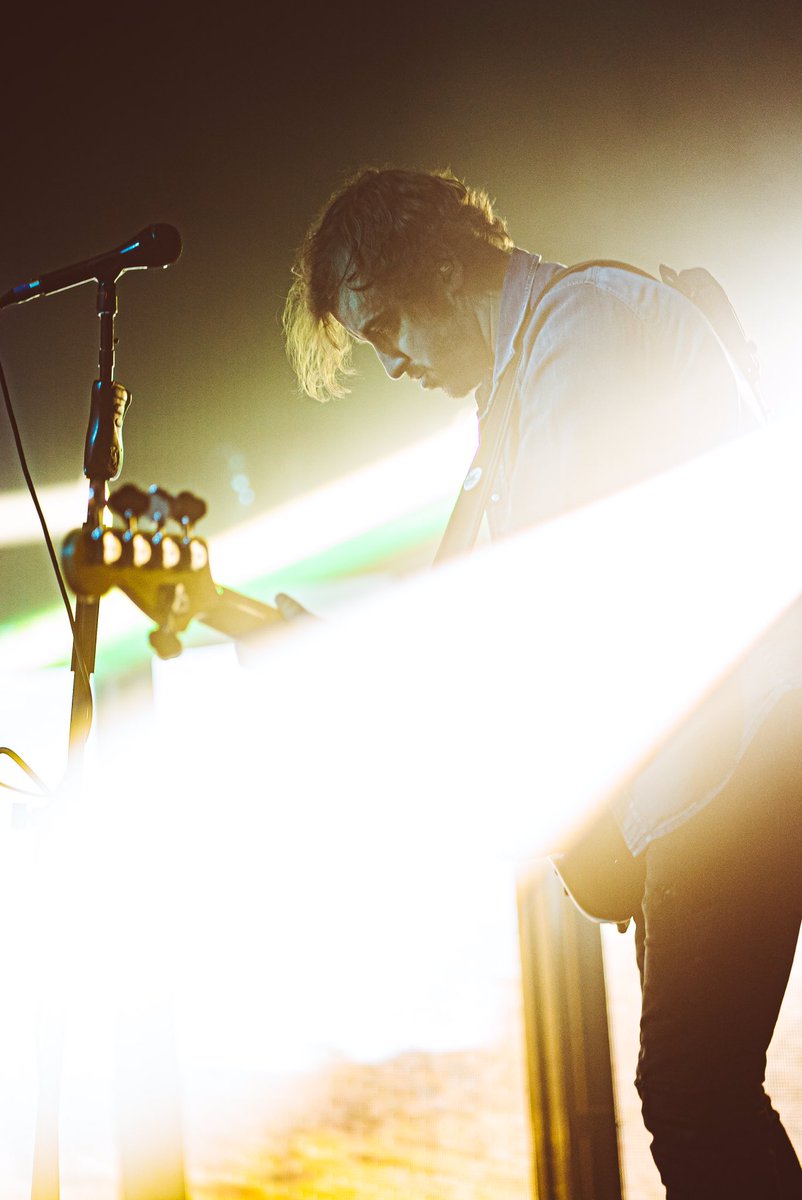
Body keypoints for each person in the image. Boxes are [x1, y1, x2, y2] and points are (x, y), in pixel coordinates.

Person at [283, 167, 802, 1198]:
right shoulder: (509, 404)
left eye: (386, 325)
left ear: (440, 266)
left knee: (692, 1093)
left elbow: (560, 592)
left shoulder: (584, 325)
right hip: (697, 780)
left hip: (750, 751)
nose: (388, 360)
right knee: (698, 1093)